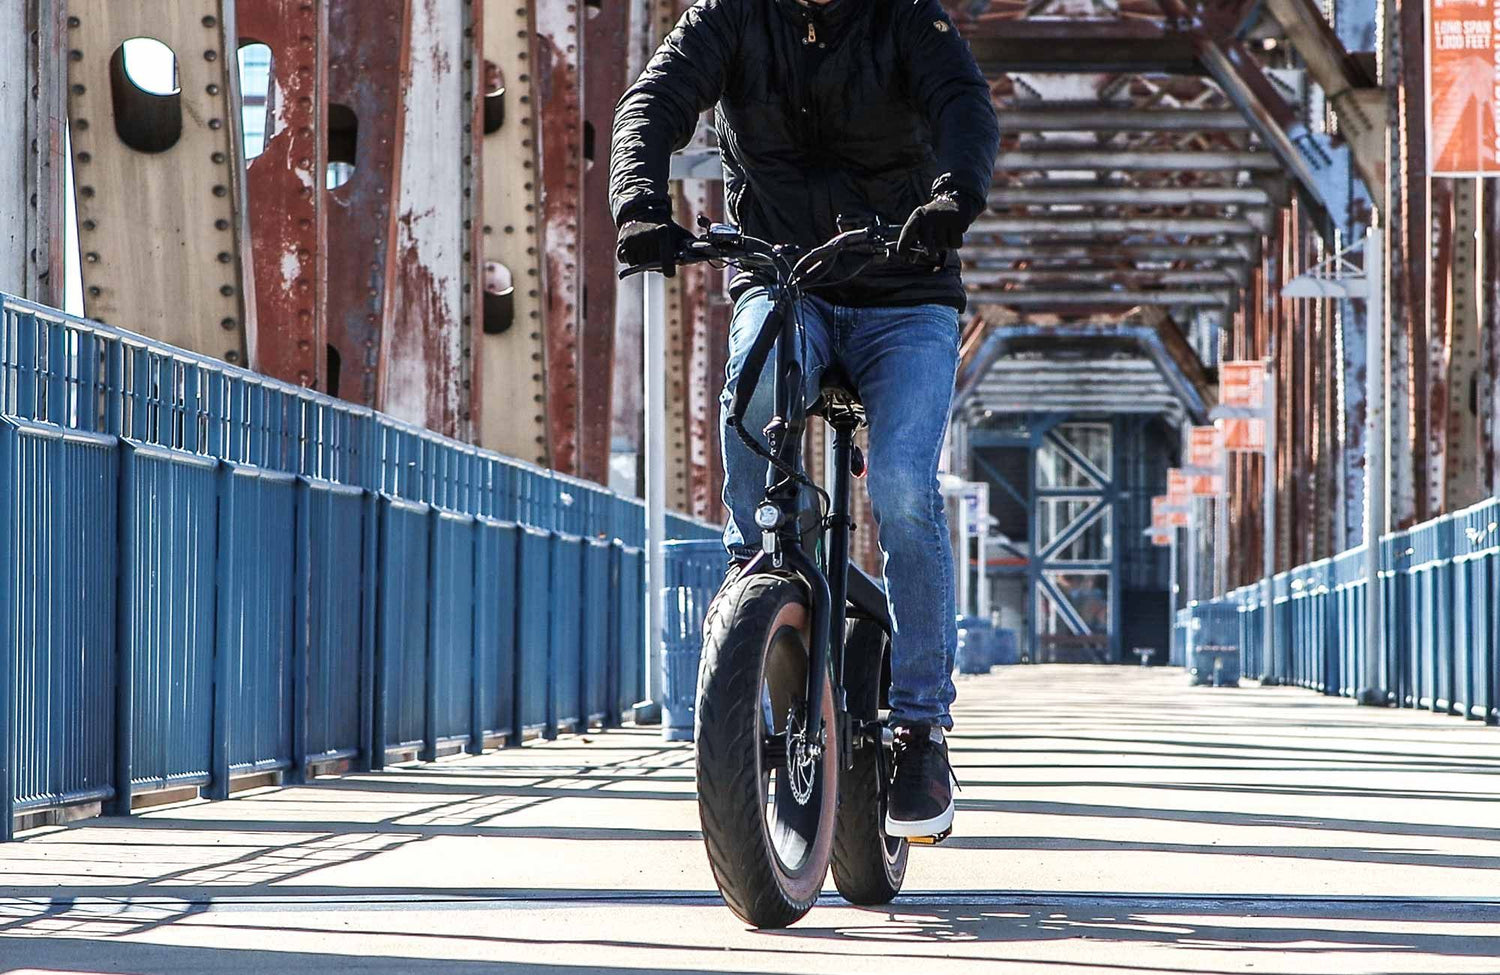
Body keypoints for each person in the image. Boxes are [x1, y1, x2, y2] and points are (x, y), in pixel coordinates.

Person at [609, 0, 998, 839]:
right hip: (789, 279)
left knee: (900, 486)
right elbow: (653, 102)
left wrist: (952, 198)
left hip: (905, 292)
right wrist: (639, 202)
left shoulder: (906, 21)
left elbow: (964, 107)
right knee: (752, 397)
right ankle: (755, 574)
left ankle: (923, 727)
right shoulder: (726, 17)